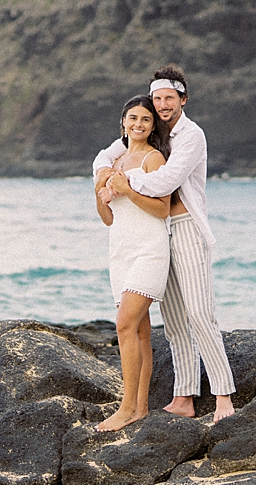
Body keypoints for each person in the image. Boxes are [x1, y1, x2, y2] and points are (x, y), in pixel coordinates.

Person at [93, 65, 236, 421]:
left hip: (184, 224)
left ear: (183, 100)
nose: (162, 104)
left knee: (200, 312)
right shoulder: (153, 132)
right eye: (157, 98)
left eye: (168, 98)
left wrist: (124, 184)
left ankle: (223, 397)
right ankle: (184, 396)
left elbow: (166, 181)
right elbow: (106, 155)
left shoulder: (191, 136)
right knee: (172, 320)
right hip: (157, 232)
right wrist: (102, 176)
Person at [93, 95, 171, 431]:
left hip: (149, 249)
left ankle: (125, 409)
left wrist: (128, 188)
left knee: (124, 324)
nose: (138, 125)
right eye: (132, 118)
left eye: (145, 120)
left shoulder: (154, 159)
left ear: (153, 126)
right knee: (139, 332)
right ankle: (140, 408)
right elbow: (108, 218)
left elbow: (162, 209)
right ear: (122, 122)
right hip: (120, 251)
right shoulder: (116, 161)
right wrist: (101, 192)